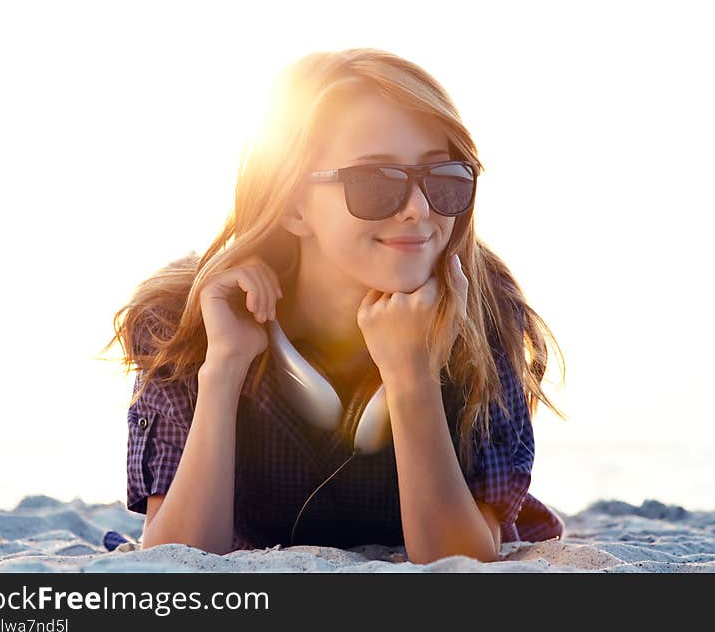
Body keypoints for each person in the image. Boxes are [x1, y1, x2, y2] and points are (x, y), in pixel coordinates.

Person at [104, 47, 568, 564]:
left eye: (445, 178)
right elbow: (178, 560)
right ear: (292, 206)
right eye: (373, 182)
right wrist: (224, 368)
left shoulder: (487, 310)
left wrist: (411, 373)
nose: (419, 209)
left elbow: (458, 561)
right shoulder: (185, 317)